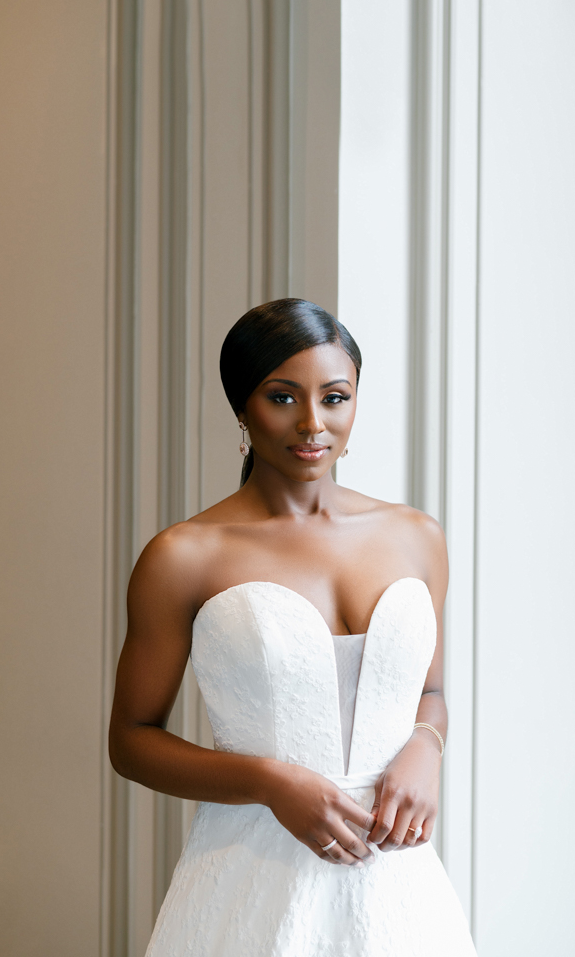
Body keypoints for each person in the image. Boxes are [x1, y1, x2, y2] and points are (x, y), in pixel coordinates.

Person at [109, 298, 477, 956]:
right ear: (241, 407)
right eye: (282, 397)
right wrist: (271, 783)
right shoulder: (184, 555)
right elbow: (131, 740)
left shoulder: (416, 537)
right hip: (253, 876)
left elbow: (431, 694)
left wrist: (425, 748)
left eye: (334, 397)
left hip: (397, 881)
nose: (312, 423)